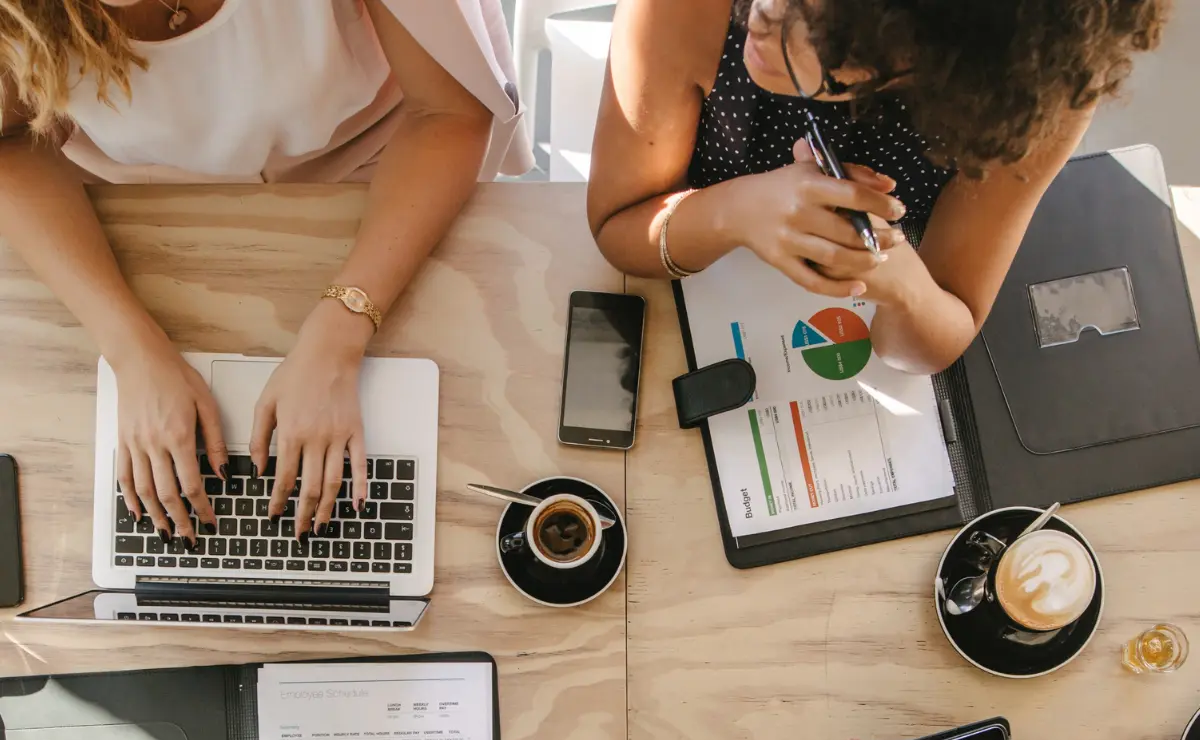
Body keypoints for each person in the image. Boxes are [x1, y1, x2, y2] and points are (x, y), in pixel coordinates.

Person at [0, 0, 528, 544]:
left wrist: (340, 331)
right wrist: (129, 349)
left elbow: (447, 112)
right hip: (148, 217)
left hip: (384, 179)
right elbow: (9, 139)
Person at [588, 0, 1168, 374]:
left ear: (941, 63)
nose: (763, 12)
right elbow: (618, 228)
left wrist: (900, 281)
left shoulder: (1029, 97)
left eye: (822, 26)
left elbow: (942, 328)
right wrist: (736, 212)